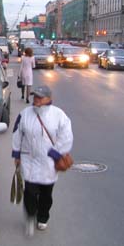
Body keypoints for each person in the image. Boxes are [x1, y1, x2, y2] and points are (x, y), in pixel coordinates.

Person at [11, 85, 73, 236]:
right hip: (29, 160)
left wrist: (55, 153)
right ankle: (31, 217)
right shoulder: (25, 114)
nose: (36, 99)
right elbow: (17, 134)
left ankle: (43, 217)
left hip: (48, 163)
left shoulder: (59, 115)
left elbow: (66, 136)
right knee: (30, 193)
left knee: (46, 194)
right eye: (35, 96)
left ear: (49, 98)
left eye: (40, 97)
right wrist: (17, 154)